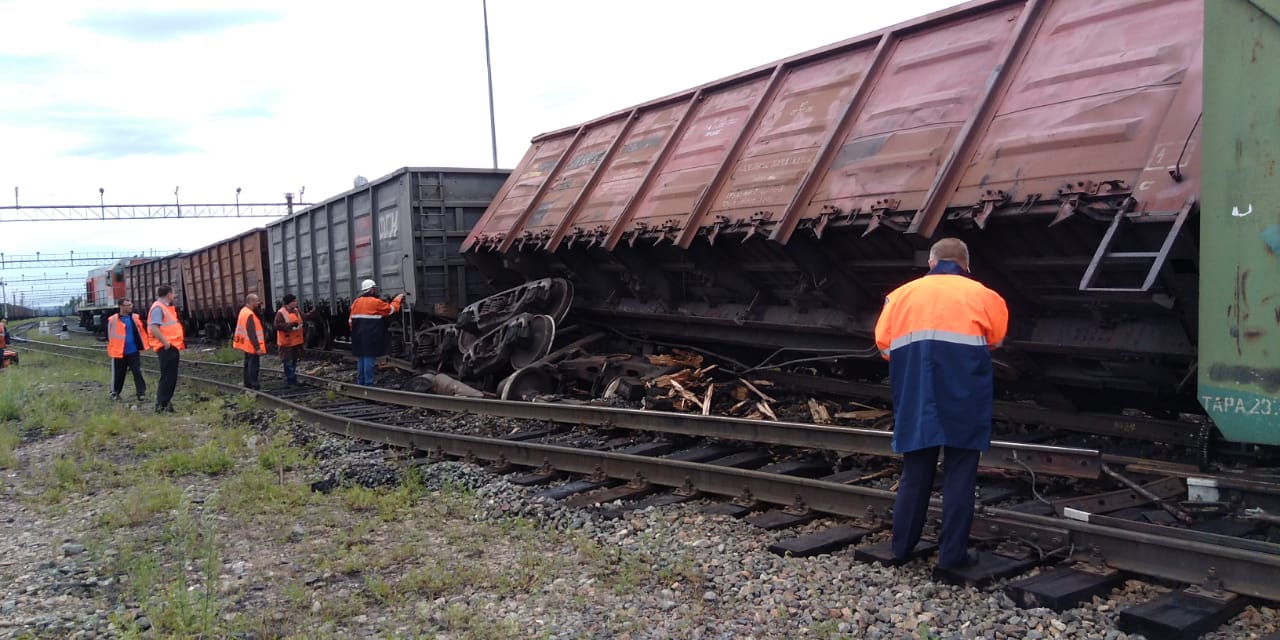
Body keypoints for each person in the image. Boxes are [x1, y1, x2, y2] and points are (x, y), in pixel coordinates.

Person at [873, 238, 1008, 570]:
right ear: (966, 265)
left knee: (915, 472)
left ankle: (901, 549)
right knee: (960, 473)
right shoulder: (986, 296)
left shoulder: (901, 295)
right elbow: (996, 340)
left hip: (917, 391)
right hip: (965, 392)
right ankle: (952, 557)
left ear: (931, 263)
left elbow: (884, 345)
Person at [348, 279, 403, 386]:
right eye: (374, 289)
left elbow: (350, 321)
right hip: (370, 335)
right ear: (371, 290)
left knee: (361, 358)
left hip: (358, 335)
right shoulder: (375, 302)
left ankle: (361, 382)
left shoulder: (356, 302)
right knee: (369, 358)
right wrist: (397, 299)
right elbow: (391, 309)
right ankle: (369, 384)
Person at [149, 285, 185, 413]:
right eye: (173, 294)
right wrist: (165, 343)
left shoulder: (164, 307)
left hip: (171, 346)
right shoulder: (158, 308)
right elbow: (154, 327)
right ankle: (161, 405)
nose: (174, 296)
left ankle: (165, 403)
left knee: (170, 377)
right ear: (168, 294)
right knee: (168, 377)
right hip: (167, 347)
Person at [107, 300, 149, 401]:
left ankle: (141, 393)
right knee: (119, 374)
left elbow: (142, 331)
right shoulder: (113, 320)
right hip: (119, 352)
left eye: (131, 304)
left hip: (133, 351)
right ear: (121, 306)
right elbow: (108, 335)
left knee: (137, 371)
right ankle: (115, 392)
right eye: (128, 305)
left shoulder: (135, 318)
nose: (131, 307)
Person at [233, 294, 266, 390]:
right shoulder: (250, 314)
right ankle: (254, 385)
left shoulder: (243, 311)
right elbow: (252, 333)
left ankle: (247, 384)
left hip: (245, 344)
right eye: (257, 301)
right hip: (251, 346)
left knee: (247, 364)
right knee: (253, 366)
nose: (258, 303)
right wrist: (257, 348)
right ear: (252, 302)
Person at [274, 294, 304, 385]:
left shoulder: (296, 311)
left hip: (295, 342)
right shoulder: (281, 312)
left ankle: (292, 380)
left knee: (293, 361)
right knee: (288, 362)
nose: (296, 302)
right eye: (294, 301)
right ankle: (291, 381)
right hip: (286, 342)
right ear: (289, 303)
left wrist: (313, 313)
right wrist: (290, 325)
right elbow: (277, 325)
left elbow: (304, 317)